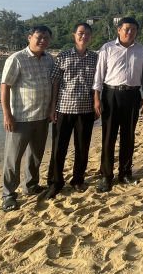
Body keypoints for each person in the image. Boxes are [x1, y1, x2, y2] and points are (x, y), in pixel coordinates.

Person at [0, 25, 54, 211]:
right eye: (39, 37)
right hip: (20, 118)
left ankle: (31, 186)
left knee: (35, 156)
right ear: (29, 38)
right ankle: (8, 195)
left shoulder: (49, 60)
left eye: (46, 38)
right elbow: (5, 86)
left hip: (42, 117)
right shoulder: (17, 59)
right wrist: (7, 114)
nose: (42, 41)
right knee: (13, 158)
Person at [93, 17, 143, 192]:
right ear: (118, 30)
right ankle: (106, 176)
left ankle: (125, 173)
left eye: (133, 29)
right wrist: (96, 98)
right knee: (109, 137)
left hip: (132, 95)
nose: (130, 32)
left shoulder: (141, 50)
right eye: (126, 29)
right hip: (111, 95)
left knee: (128, 137)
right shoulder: (107, 48)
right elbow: (99, 76)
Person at [46, 22, 98, 199]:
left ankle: (78, 179)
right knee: (59, 148)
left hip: (86, 110)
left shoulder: (95, 58)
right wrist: (52, 108)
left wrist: (97, 104)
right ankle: (55, 182)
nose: (84, 36)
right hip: (63, 109)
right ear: (74, 35)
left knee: (82, 148)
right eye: (81, 33)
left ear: (91, 37)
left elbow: (97, 85)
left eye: (88, 34)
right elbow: (55, 83)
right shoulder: (62, 56)